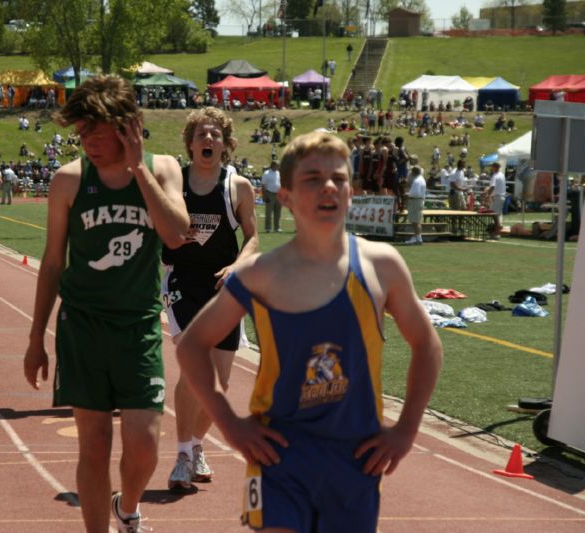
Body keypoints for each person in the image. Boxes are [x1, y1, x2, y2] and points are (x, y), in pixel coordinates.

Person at [176, 130, 442, 533]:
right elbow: (192, 345)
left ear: (351, 192)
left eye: (339, 178)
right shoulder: (259, 273)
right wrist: (230, 424)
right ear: (285, 197)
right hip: (278, 456)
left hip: (355, 458)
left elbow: (427, 344)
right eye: (313, 179)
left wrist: (406, 429)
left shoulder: (381, 265)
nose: (329, 187)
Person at [23, 74, 189, 533]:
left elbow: (176, 234)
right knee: (93, 448)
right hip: (83, 326)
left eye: (97, 133)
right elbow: (53, 263)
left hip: (137, 328)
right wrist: (36, 337)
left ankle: (128, 506)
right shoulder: (69, 181)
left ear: (128, 127)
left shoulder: (164, 169)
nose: (89, 143)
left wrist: (139, 169)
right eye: (82, 135)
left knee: (144, 447)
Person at [162, 108, 259, 493]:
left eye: (216, 135)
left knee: (218, 382)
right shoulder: (174, 183)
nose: (208, 140)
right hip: (182, 281)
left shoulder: (238, 186)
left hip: (223, 286)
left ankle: (198, 445)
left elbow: (253, 238)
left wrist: (238, 265)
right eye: (201, 134)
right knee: (193, 368)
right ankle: (183, 455)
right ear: (189, 142)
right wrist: (170, 236)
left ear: (226, 144)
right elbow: (156, 228)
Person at [485, 161, 506, 239]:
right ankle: (497, 232)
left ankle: (496, 234)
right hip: (501, 197)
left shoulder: (495, 176)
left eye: (492, 166)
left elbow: (493, 187)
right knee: (498, 215)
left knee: (495, 216)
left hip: (497, 197)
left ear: (495, 167)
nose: (491, 168)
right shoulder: (502, 175)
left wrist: (488, 195)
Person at [406, 166, 426, 245]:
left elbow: (416, 193)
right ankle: (417, 237)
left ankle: (418, 239)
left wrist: (408, 194)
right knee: (416, 221)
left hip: (415, 201)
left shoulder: (417, 181)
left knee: (415, 221)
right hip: (419, 201)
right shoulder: (421, 179)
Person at [261, 160, 282, 232]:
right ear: (273, 165)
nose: (278, 167)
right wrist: (264, 196)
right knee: (268, 212)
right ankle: (268, 228)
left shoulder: (279, 173)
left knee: (278, 212)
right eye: (277, 165)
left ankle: (277, 228)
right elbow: (263, 185)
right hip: (269, 193)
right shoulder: (266, 173)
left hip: (278, 194)